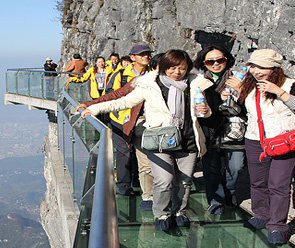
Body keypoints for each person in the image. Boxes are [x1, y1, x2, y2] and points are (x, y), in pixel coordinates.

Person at [81, 50, 213, 231]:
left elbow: (204, 111)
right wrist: (95, 108)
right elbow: (123, 101)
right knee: (164, 180)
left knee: (184, 180)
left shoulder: (194, 84)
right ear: (164, 67)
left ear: (188, 68)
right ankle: (161, 213)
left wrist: (205, 111)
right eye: (172, 68)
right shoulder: (150, 84)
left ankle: (179, 212)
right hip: (159, 139)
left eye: (182, 68)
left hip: (188, 139)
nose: (177, 72)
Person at [222, 49, 295, 244]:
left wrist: (278, 92)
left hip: (283, 140)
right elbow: (241, 112)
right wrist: (231, 98)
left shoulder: (290, 84)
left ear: (274, 68)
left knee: (279, 184)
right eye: (253, 66)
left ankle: (277, 225)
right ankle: (261, 214)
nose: (256, 71)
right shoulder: (249, 85)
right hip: (255, 140)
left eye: (262, 67)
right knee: (258, 181)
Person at [75, 53, 164, 210]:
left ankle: (143, 188)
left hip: (152, 125)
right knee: (129, 155)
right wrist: (92, 105)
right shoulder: (131, 77)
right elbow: (118, 96)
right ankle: (132, 188)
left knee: (146, 161)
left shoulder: (182, 83)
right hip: (124, 119)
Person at [193, 45, 245, 215]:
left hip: (234, 130)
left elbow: (250, 105)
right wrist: (216, 99)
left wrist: (240, 90)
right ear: (204, 63)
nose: (215, 64)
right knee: (211, 168)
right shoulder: (199, 81)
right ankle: (216, 200)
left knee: (236, 166)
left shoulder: (238, 78)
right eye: (210, 61)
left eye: (220, 60)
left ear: (227, 59)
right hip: (210, 130)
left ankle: (229, 191)